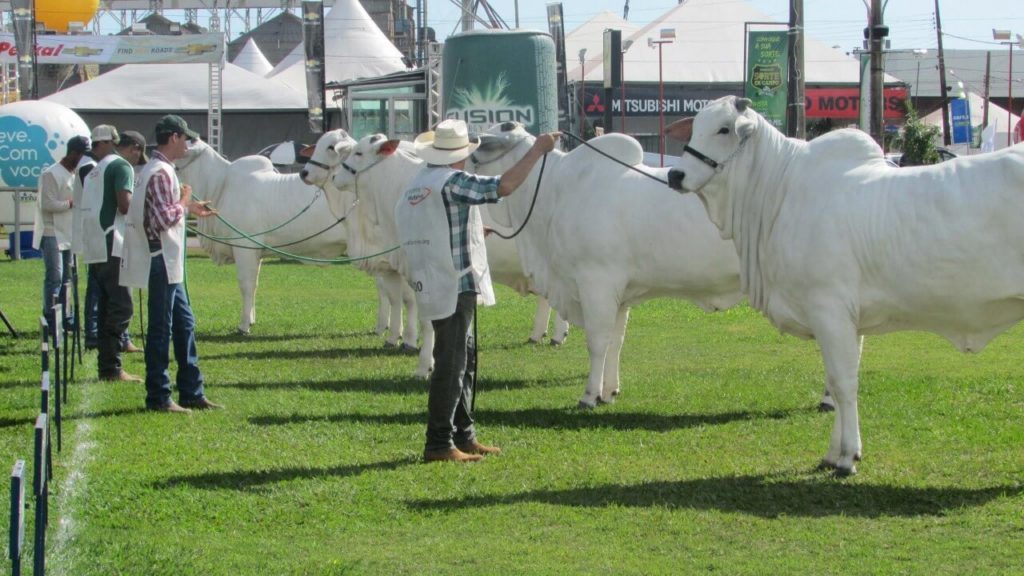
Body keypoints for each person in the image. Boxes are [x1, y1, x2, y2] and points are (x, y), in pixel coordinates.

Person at [394, 119, 558, 463]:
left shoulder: (419, 183)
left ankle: (463, 435)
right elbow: (505, 186)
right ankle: (439, 442)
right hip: (455, 282)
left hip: (434, 278)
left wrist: (470, 231)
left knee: (462, 360)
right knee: (453, 364)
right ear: (458, 156)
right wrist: (537, 150)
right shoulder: (453, 181)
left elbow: (433, 222)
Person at [120, 115, 221, 413]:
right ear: (173, 137)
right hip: (162, 259)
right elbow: (163, 218)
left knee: (184, 324)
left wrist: (187, 207)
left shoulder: (152, 169)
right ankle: (159, 395)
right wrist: (185, 204)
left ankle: (191, 391)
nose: (188, 144)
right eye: (185, 138)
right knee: (162, 329)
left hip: (163, 259)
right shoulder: (162, 172)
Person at [79, 124, 141, 382]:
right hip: (111, 241)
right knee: (122, 307)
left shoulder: (94, 170)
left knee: (106, 306)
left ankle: (108, 367)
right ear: (113, 142)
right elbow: (125, 206)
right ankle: (111, 366)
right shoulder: (120, 166)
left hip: (95, 244)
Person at [33, 135, 90, 320]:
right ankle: (51, 317)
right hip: (52, 233)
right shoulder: (51, 173)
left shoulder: (76, 173)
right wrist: (71, 203)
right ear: (73, 153)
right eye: (82, 155)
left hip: (69, 232)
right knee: (55, 277)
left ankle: (66, 317)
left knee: (68, 278)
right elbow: (47, 204)